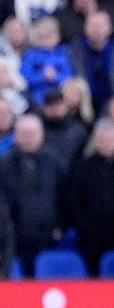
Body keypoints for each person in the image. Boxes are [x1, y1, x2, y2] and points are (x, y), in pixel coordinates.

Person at [64, 119, 114, 275]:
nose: (107, 143)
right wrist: (82, 225)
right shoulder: (81, 167)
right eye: (102, 140)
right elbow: (73, 201)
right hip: (91, 236)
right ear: (95, 141)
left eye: (110, 139)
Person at [0, 112, 66, 277]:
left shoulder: (54, 161)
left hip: (48, 237)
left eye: (32, 133)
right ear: (16, 136)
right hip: (14, 239)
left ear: (41, 135)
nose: (28, 138)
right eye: (24, 134)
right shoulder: (4, 165)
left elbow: (65, 196)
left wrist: (60, 225)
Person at [68, 8, 114, 114]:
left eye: (100, 26)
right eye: (92, 25)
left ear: (110, 28)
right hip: (83, 104)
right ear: (85, 28)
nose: (96, 30)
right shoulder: (74, 50)